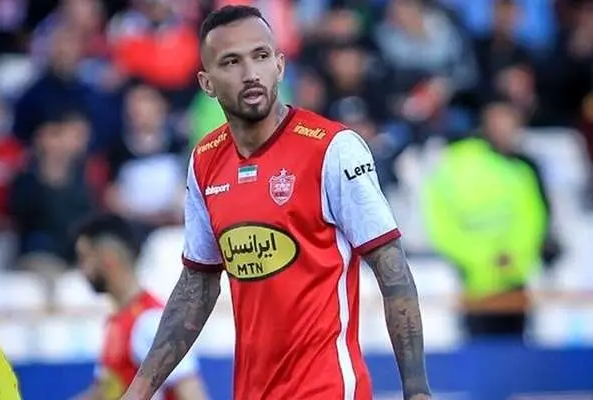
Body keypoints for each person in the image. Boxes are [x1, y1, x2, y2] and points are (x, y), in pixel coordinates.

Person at [122, 5, 431, 400]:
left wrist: (417, 390)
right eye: (231, 62)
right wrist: (139, 390)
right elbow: (197, 285)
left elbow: (393, 272)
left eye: (261, 56)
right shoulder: (204, 162)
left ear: (280, 66)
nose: (250, 73)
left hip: (328, 390)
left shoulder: (333, 149)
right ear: (206, 83)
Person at [73, 213, 208, 400]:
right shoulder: (118, 322)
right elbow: (106, 392)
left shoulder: (151, 321)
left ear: (108, 258)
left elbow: (191, 393)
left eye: (84, 258)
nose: (81, 269)